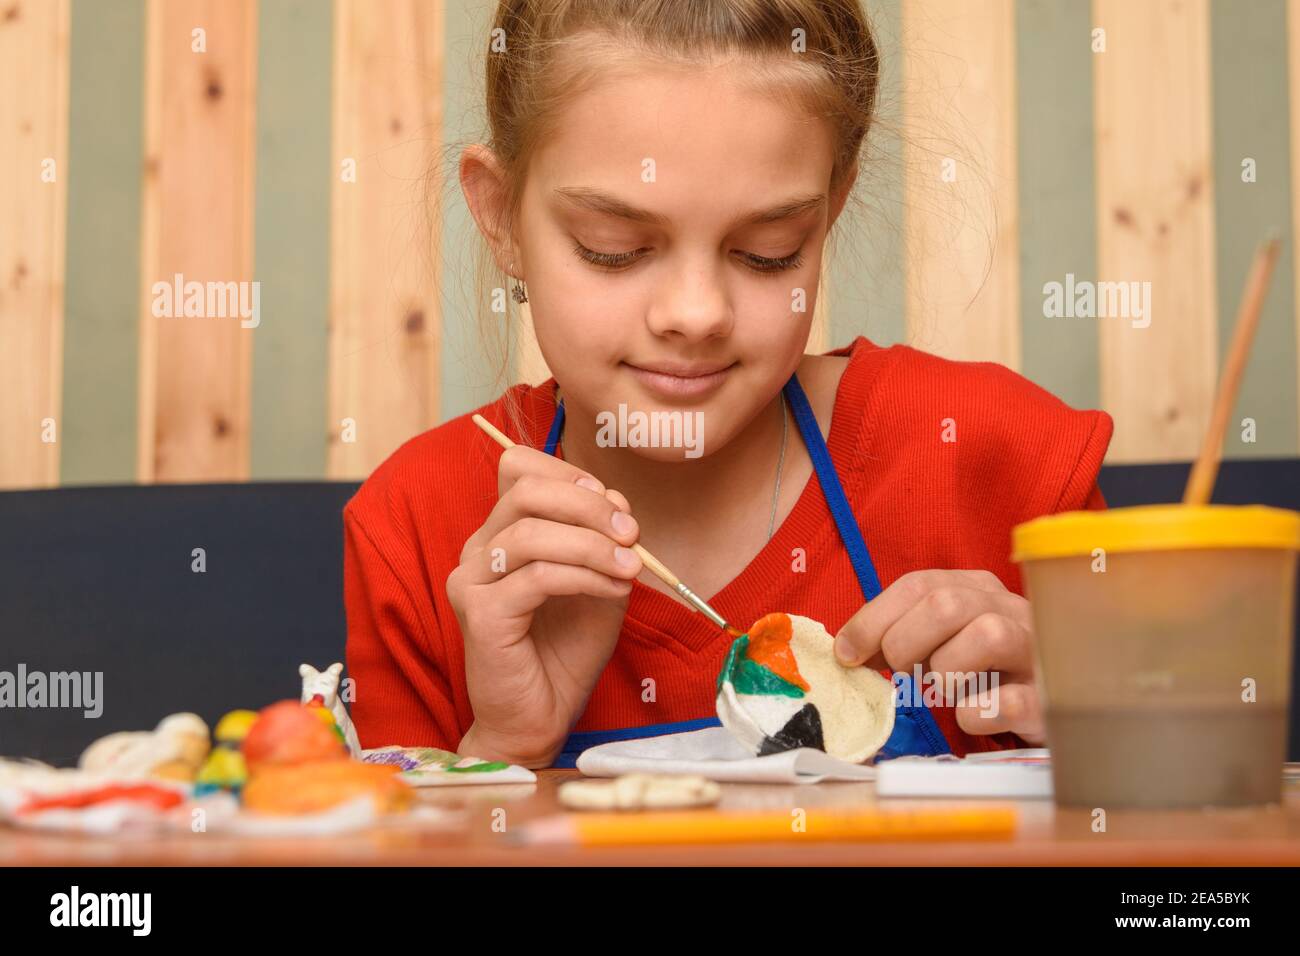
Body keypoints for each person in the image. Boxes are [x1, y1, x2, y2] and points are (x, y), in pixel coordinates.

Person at [343, 0, 1113, 768]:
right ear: (502, 215)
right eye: (613, 249)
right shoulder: (416, 528)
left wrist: (1099, 724)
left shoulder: (999, 458)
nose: (696, 313)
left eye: (768, 251)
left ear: (830, 211)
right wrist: (504, 751)